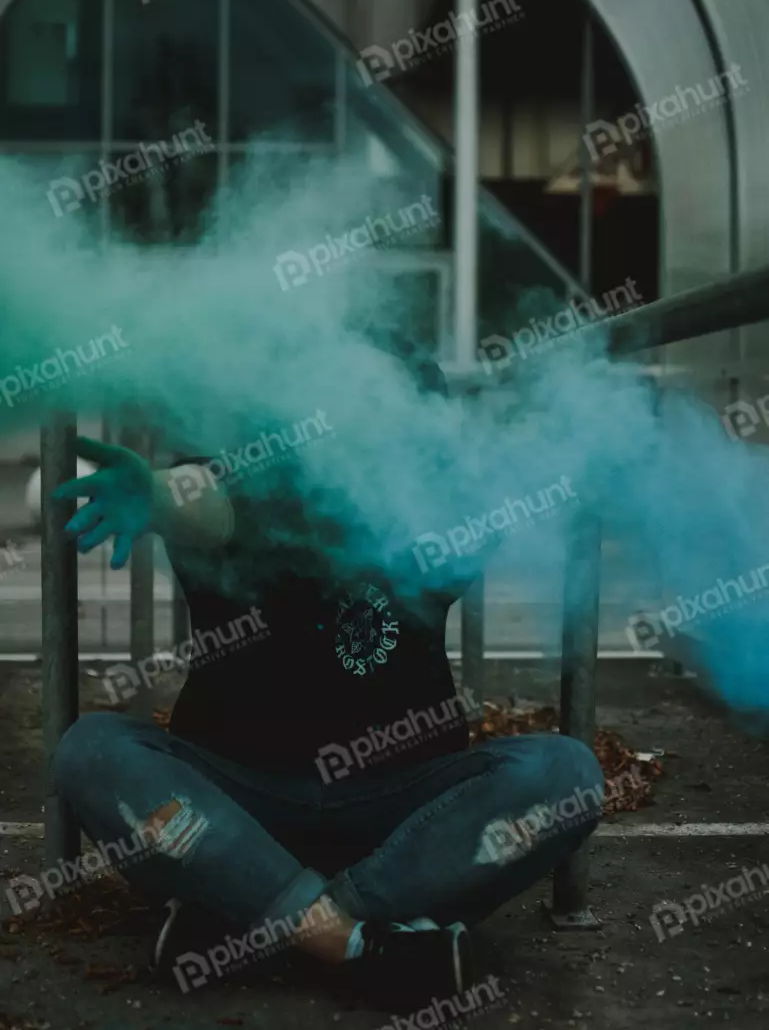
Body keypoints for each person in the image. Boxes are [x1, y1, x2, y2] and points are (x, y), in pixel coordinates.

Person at [51, 337, 603, 1012]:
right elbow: (196, 500)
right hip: (241, 812)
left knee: (564, 774)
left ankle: (253, 923)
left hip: (403, 820)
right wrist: (156, 495)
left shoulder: (431, 520)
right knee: (93, 752)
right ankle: (364, 949)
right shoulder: (248, 493)